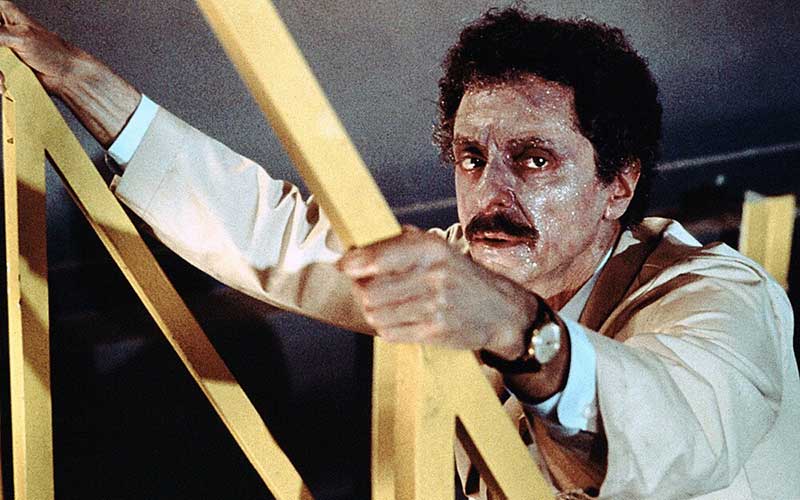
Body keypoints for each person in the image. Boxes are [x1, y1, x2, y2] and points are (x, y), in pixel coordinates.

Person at [2, 2, 798, 498]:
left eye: (533, 160)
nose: (491, 192)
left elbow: (677, 432)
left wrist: (520, 330)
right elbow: (274, 232)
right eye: (471, 157)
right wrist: (78, 78)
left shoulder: (717, 293)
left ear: (618, 184)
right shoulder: (456, 267)